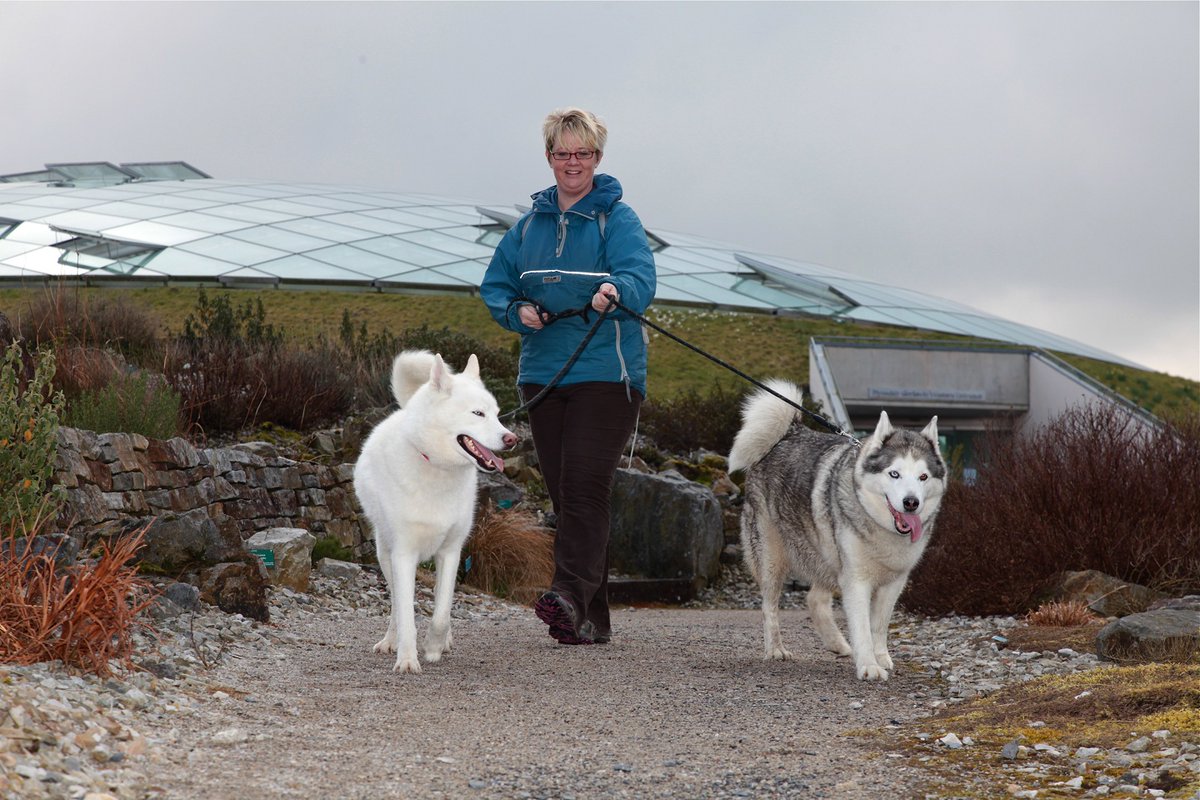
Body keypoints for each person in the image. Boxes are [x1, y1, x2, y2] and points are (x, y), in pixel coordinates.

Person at [480, 107, 656, 645]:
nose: (572, 162)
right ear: (549, 157)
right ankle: (590, 620)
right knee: (567, 495)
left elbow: (640, 277)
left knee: (583, 487)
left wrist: (616, 291)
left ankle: (566, 595)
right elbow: (496, 286)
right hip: (544, 377)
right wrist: (517, 312)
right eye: (563, 153)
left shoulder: (617, 219)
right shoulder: (527, 228)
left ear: (597, 157)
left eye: (582, 153)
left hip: (606, 374)